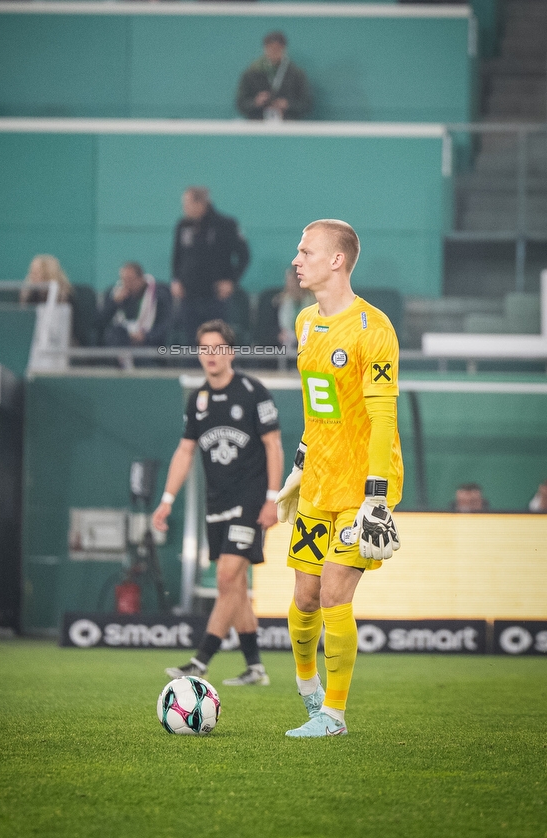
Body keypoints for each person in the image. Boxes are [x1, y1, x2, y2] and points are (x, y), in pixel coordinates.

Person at [275, 219, 403, 737]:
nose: (296, 259)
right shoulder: (305, 322)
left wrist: (376, 498)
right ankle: (307, 688)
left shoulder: (375, 330)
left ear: (336, 261)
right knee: (304, 596)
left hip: (363, 487)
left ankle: (333, 714)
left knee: (333, 594)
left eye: (306, 251)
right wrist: (299, 464)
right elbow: (318, 409)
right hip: (319, 482)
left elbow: (383, 420)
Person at [152, 319, 283, 684]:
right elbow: (184, 451)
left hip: (251, 499)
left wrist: (272, 499)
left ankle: (201, 660)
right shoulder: (198, 400)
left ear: (230, 352)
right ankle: (255, 666)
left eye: (217, 348)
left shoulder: (253, 391)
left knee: (226, 576)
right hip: (217, 502)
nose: (210, 355)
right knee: (235, 586)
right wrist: (166, 500)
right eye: (204, 348)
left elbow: (274, 446)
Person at [171, 187, 250, 346]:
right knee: (191, 342)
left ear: (200, 204)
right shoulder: (183, 225)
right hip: (189, 295)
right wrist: (176, 279)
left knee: (216, 341)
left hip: (215, 296)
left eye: (187, 204)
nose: (184, 208)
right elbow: (177, 256)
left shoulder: (225, 224)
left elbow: (244, 256)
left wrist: (231, 282)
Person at [236, 31, 312, 121]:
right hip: (258, 123)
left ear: (284, 49)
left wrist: (288, 105)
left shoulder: (296, 74)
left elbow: (307, 103)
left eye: (277, 49)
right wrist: (255, 102)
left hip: (288, 124)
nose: (273, 52)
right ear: (265, 49)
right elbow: (240, 103)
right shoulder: (251, 73)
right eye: (270, 48)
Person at [97, 262, 172, 348]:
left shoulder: (159, 294)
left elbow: (165, 324)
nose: (126, 284)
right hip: (122, 340)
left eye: (130, 280)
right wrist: (114, 303)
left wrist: (146, 337)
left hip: (149, 342)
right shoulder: (115, 294)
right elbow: (100, 323)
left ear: (141, 279)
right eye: (123, 280)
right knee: (114, 334)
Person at [276, 266, 316, 351]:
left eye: (291, 282)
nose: (288, 285)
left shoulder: (315, 304)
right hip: (286, 346)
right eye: (287, 281)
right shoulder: (281, 302)